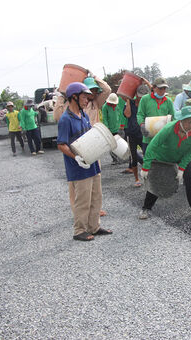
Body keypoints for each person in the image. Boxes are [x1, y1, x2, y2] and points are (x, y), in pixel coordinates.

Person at [56, 82, 113, 241]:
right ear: (73, 97)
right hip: (79, 167)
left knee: (96, 197)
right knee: (83, 200)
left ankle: (94, 227)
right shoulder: (66, 119)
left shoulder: (84, 116)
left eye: (88, 98)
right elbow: (61, 144)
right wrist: (76, 157)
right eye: (84, 97)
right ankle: (79, 230)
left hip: (92, 164)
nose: (87, 100)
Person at [139, 106, 191, 220]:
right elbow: (153, 146)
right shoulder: (169, 128)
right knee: (158, 179)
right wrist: (146, 167)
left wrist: (182, 168)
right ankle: (146, 208)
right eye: (189, 122)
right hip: (165, 156)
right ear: (182, 120)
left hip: (182, 157)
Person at [137, 77, 175, 156]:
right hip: (148, 138)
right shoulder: (145, 99)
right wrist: (142, 124)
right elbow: (140, 114)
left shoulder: (168, 101)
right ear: (154, 88)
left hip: (164, 139)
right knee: (149, 162)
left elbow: (173, 117)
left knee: (164, 163)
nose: (162, 91)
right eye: (160, 88)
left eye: (164, 88)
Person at [123, 84, 150, 187]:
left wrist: (145, 82)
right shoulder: (131, 103)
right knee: (134, 158)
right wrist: (128, 101)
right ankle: (137, 179)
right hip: (132, 133)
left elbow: (154, 89)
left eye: (144, 96)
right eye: (140, 95)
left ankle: (148, 177)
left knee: (147, 156)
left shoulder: (146, 104)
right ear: (136, 95)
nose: (141, 97)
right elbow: (128, 115)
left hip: (144, 134)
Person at [101, 93, 122, 165]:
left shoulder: (117, 106)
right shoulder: (105, 107)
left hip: (117, 128)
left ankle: (120, 158)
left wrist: (121, 125)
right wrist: (107, 128)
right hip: (110, 129)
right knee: (111, 145)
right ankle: (114, 159)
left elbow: (119, 115)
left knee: (119, 144)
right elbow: (105, 118)